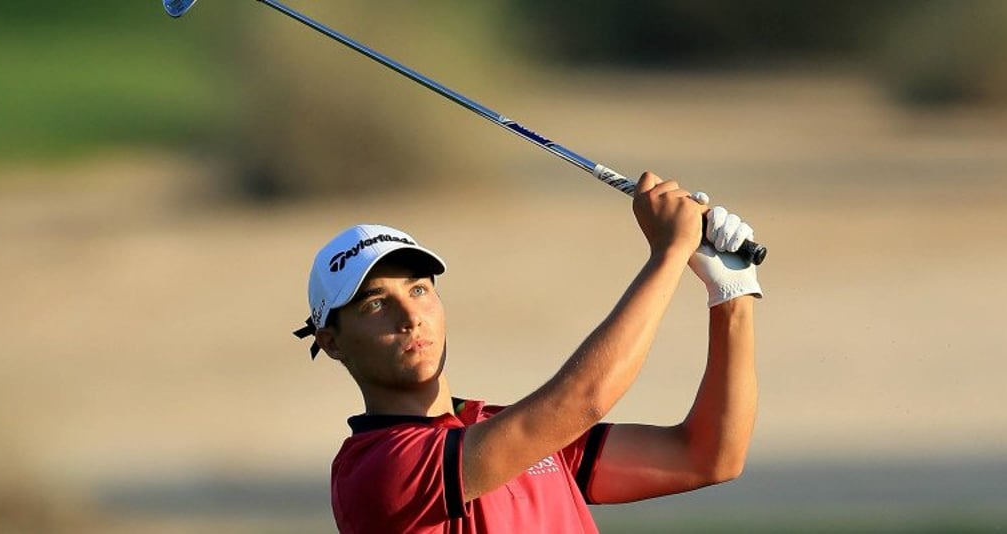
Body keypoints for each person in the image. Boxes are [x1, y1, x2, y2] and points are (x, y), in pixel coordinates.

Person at [292, 172, 761, 533]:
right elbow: (582, 400)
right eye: (375, 304)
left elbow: (708, 456)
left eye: (418, 290)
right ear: (331, 341)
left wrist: (732, 295)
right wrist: (669, 253)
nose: (409, 316)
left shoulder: (499, 427)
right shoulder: (377, 468)